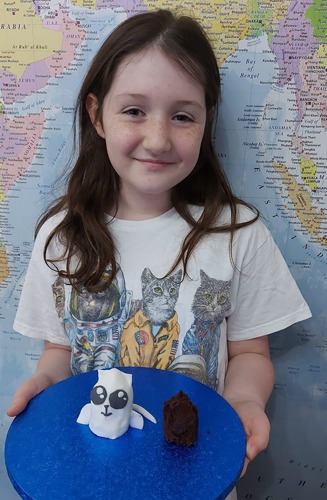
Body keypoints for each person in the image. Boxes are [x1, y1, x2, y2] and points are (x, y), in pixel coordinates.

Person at [7, 8, 311, 498]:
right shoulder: (59, 236)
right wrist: (46, 385)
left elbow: (250, 352)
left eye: (183, 115)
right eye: (133, 110)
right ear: (96, 114)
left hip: (199, 473)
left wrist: (243, 401)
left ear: (205, 121)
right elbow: (61, 351)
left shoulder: (239, 232)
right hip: (91, 476)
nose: (158, 138)